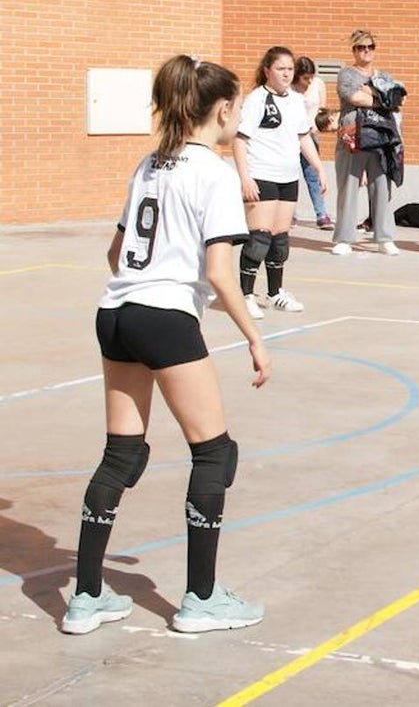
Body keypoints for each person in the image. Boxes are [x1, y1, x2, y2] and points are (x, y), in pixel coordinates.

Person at [62, 55, 269, 635]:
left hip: (115, 312)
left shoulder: (148, 163)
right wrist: (256, 338)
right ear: (223, 110)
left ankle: (85, 595)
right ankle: (201, 599)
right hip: (164, 316)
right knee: (214, 453)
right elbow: (222, 274)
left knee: (122, 453)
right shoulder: (216, 173)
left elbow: (114, 254)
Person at [233, 46, 324, 318]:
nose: (286, 74)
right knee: (259, 237)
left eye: (289, 69)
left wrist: (319, 167)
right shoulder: (256, 100)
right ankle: (246, 295)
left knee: (279, 240)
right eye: (280, 69)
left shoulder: (296, 100)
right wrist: (245, 177)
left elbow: (302, 136)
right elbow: (240, 140)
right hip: (262, 175)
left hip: (288, 177)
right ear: (267, 71)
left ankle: (275, 293)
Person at [331, 29, 402, 257]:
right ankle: (344, 238)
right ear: (354, 50)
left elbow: (396, 100)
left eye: (370, 47)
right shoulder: (347, 74)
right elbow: (353, 98)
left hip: (380, 138)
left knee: (382, 186)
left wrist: (373, 95)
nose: (367, 51)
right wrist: (381, 98)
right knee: (349, 186)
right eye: (361, 47)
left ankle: (384, 237)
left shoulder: (384, 75)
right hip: (353, 137)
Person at [291, 56, 332, 230]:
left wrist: (317, 124)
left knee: (312, 175)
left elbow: (322, 109)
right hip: (292, 136)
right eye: (305, 78)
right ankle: (290, 213)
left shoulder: (318, 85)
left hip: (311, 134)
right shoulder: (290, 89)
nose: (308, 81)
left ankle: (321, 214)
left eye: (311, 77)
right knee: (290, 175)